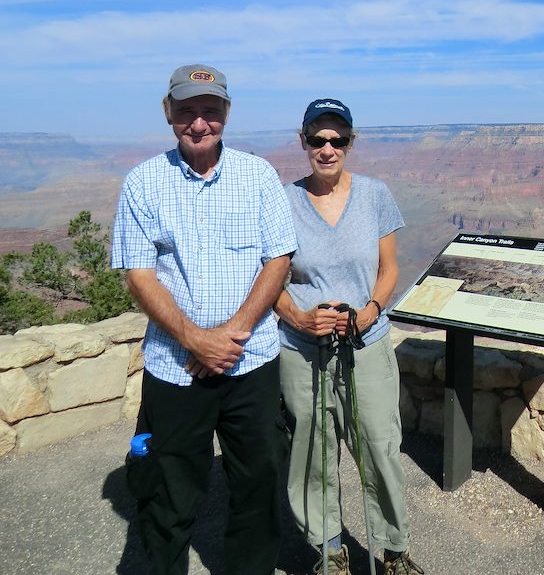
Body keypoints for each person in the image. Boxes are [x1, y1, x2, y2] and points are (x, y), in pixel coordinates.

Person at [111, 63, 298, 575]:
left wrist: (228, 337)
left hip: (251, 363)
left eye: (210, 111)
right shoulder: (144, 182)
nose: (199, 123)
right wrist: (195, 340)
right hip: (176, 368)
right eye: (188, 111)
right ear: (168, 111)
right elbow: (139, 272)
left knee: (258, 489)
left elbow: (278, 259)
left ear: (227, 114)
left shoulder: (258, 175)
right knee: (169, 494)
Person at [274, 98, 422, 575]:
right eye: (318, 139)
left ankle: (393, 551)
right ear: (304, 142)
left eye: (338, 139)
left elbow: (389, 267)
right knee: (312, 453)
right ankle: (330, 551)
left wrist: (371, 310)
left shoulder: (376, 195)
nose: (328, 148)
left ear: (351, 143)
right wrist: (298, 318)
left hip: (367, 344)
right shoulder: (282, 201)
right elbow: (268, 281)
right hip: (303, 350)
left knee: (380, 447)